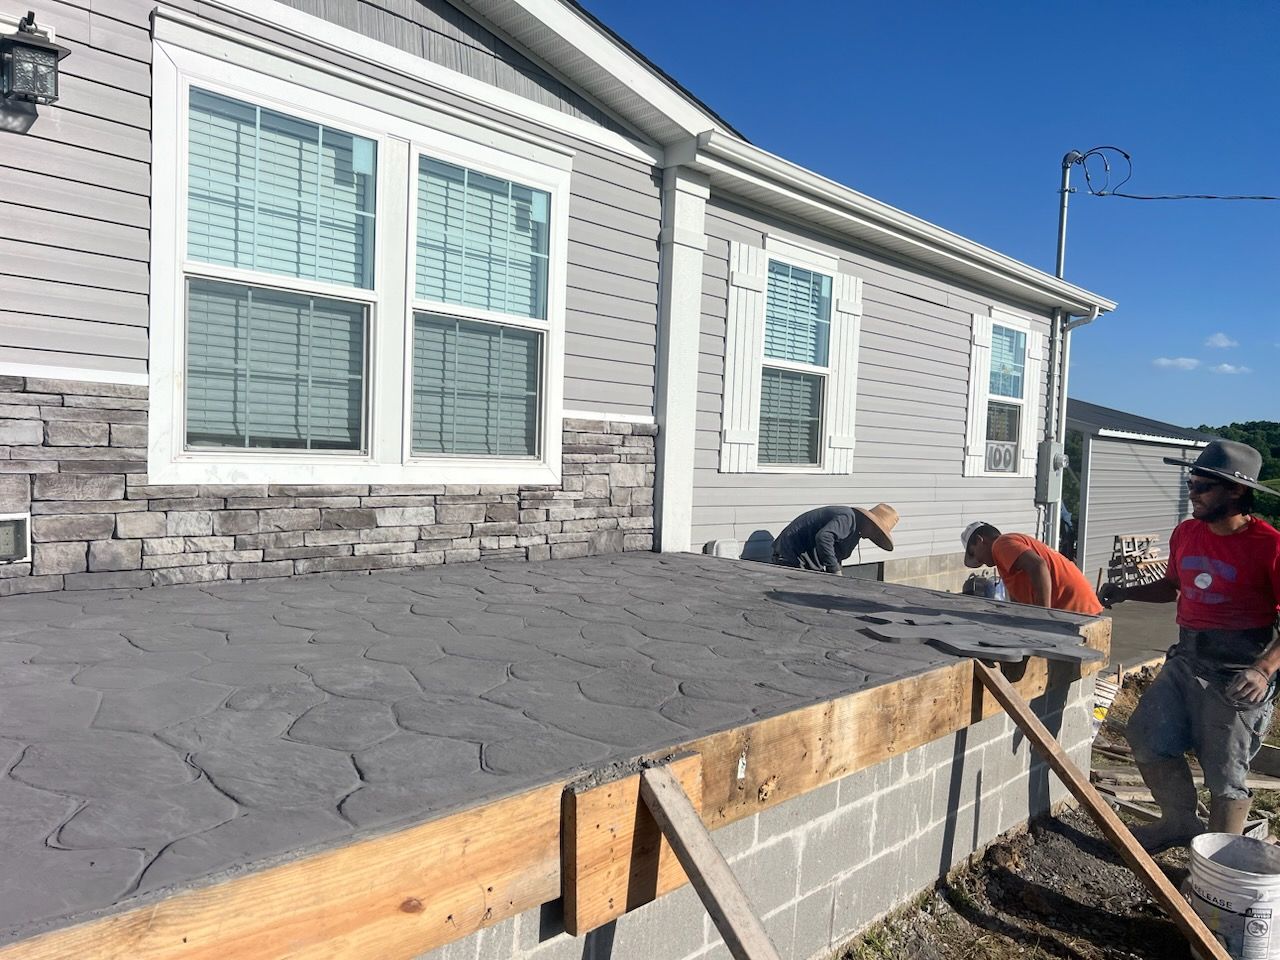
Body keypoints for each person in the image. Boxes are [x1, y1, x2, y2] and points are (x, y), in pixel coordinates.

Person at [1099, 439, 1280, 851]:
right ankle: (1179, 823)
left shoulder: (1269, 545)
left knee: (1225, 774)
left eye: (1202, 486)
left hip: (1240, 671)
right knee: (1146, 735)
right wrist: (1128, 592)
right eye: (1190, 484)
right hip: (1188, 659)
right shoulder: (1186, 533)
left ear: (1236, 490)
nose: (1192, 493)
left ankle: (1216, 865)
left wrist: (1263, 669)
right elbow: (1173, 587)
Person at [961, 522, 1104, 615]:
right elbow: (1017, 600)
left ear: (980, 541)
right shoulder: (1005, 557)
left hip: (1077, 610)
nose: (979, 561)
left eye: (973, 553)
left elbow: (1038, 566)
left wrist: (1042, 616)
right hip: (1079, 609)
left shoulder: (1001, 544)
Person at [772, 504, 898, 574]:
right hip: (791, 556)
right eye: (876, 532)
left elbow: (836, 554)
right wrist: (834, 570)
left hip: (806, 562)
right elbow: (824, 537)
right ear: (870, 523)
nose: (873, 536)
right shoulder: (848, 518)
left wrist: (835, 571)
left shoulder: (855, 531)